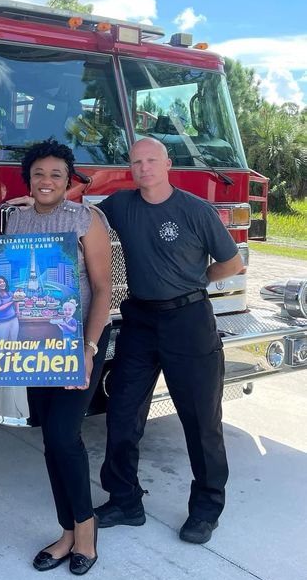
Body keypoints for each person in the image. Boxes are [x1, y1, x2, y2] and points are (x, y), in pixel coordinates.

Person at [95, 137, 244, 545]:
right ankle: (124, 500)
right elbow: (80, 218)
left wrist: (197, 283)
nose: (143, 168)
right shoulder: (120, 206)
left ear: (168, 163)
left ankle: (206, 508)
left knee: (200, 421)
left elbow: (232, 262)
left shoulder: (196, 210)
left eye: (151, 160)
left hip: (189, 320)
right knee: (123, 413)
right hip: (139, 321)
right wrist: (27, 206)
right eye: (136, 161)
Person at [3, 139, 111, 576]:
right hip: (33, 345)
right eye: (39, 174)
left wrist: (87, 350)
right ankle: (66, 532)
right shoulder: (17, 221)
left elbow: (103, 290)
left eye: (56, 175)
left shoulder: (88, 219)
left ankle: (86, 532)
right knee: (50, 438)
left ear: (69, 181)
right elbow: (7, 277)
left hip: (77, 344)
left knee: (66, 436)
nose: (46, 181)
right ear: (28, 178)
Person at [0, 275, 20, 340]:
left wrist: (17, 310)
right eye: (0, 282)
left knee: (13, 343)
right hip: (2, 322)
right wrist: (12, 301)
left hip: (14, 319)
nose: (2, 283)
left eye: (3, 282)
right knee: (2, 345)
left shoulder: (9, 292)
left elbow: (16, 300)